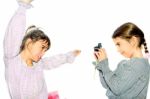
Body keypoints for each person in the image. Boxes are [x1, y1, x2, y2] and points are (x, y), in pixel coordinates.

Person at [3, 0, 81, 99]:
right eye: (42, 47)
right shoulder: (13, 58)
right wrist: (23, 7)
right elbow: (14, 32)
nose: (43, 53)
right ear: (29, 42)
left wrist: (70, 55)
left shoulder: (38, 64)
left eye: (45, 50)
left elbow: (53, 60)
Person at [93, 22, 150, 99]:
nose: (117, 49)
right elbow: (108, 85)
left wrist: (104, 64)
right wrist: (101, 66)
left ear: (133, 41)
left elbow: (117, 88)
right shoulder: (125, 64)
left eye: (118, 44)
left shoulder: (138, 65)